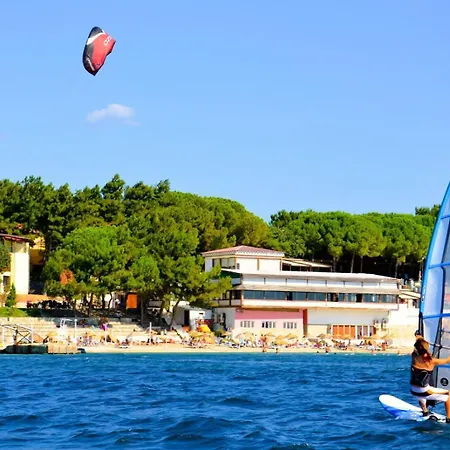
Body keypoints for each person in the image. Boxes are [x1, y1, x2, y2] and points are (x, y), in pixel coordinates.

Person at [410, 335, 450, 423]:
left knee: (422, 395)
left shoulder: (414, 356)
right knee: (448, 395)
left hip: (413, 391)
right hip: (424, 392)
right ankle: (449, 418)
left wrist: (418, 338)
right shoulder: (432, 361)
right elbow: (447, 360)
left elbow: (417, 345)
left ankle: (425, 411)